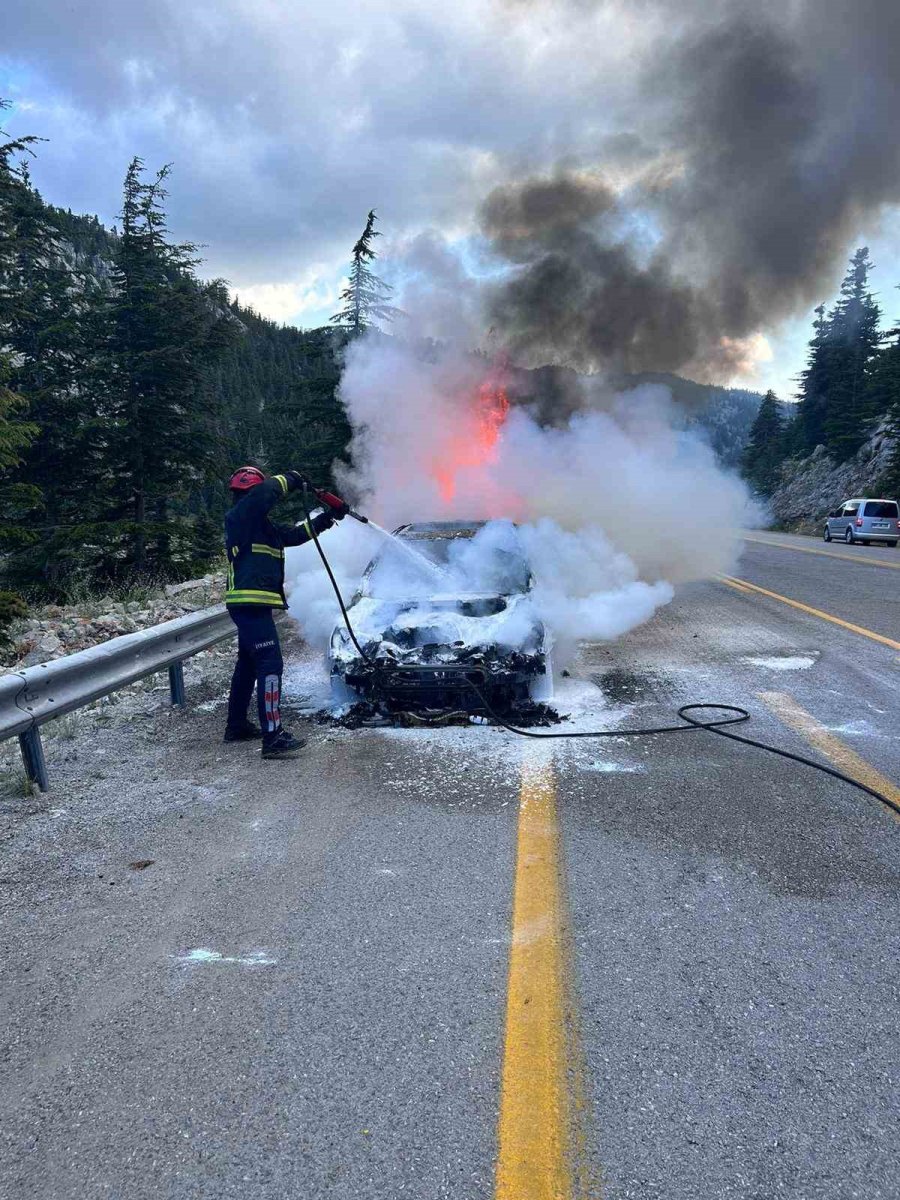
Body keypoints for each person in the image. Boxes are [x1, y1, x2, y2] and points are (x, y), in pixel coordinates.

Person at [223, 466, 346, 759]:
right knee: (270, 663)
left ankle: (237, 725)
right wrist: (291, 478)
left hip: (252, 603)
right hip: (250, 603)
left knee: (248, 665)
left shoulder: (259, 526)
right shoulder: (242, 515)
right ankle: (273, 737)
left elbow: (293, 536)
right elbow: (266, 493)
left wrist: (327, 519)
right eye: (257, 491)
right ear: (249, 492)